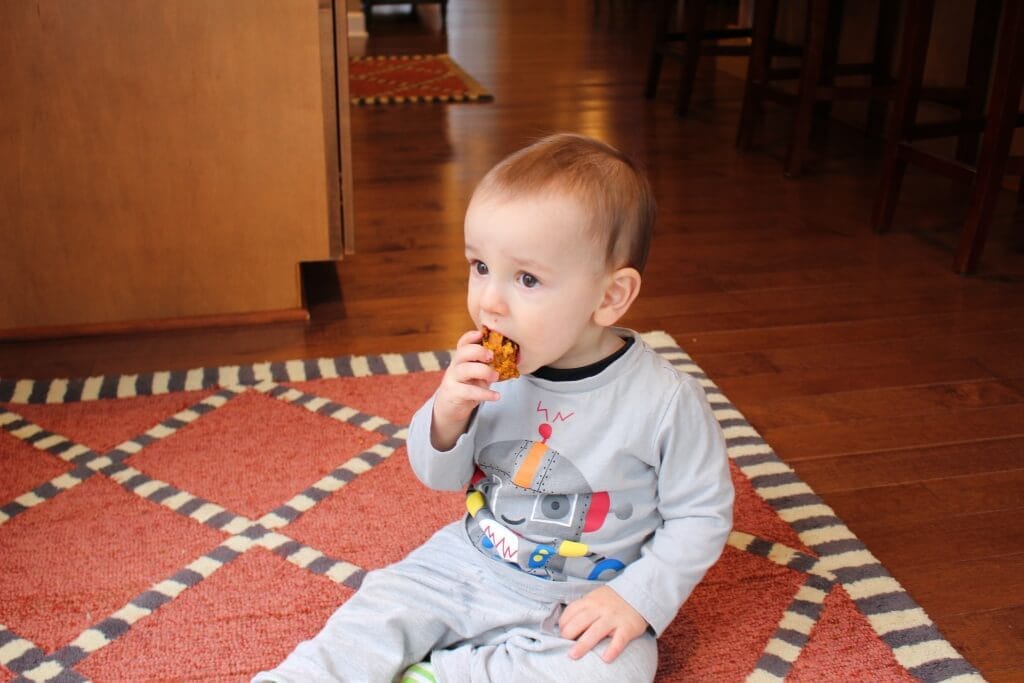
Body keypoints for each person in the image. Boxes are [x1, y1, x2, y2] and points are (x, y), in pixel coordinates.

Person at [254, 133, 734, 682]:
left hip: (585, 596)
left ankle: (450, 675)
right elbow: (438, 476)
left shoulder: (664, 401)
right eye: (480, 266)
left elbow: (701, 515)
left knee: (614, 670)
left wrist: (636, 598)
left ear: (609, 297)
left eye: (526, 278)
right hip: (470, 561)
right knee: (382, 605)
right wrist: (447, 414)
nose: (489, 301)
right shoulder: (488, 369)